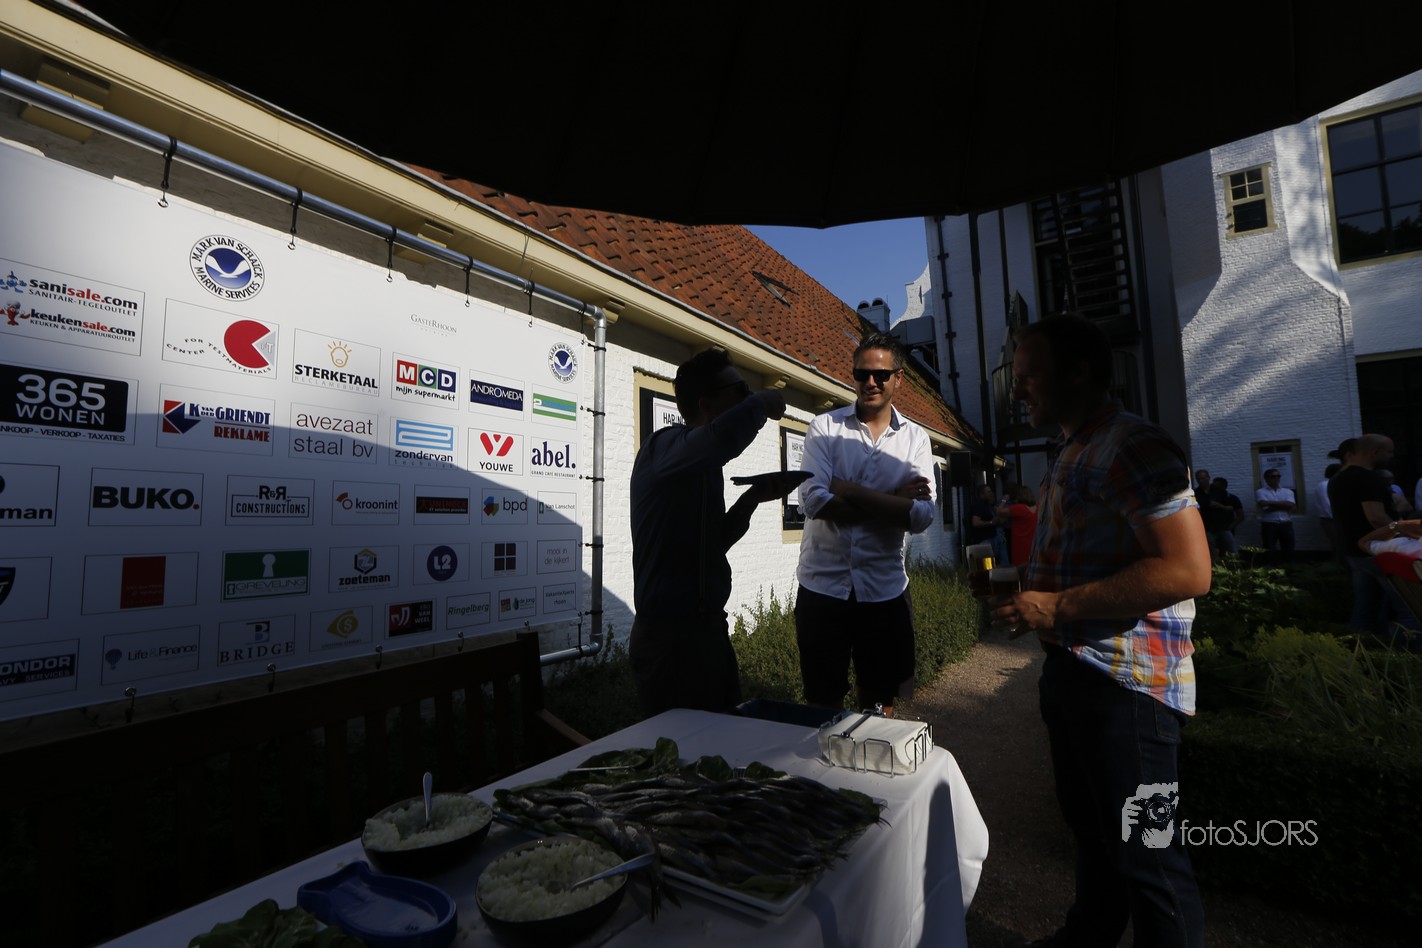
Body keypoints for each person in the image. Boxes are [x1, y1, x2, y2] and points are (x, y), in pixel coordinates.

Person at [991, 314, 1210, 948]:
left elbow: (1189, 569)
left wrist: (1057, 607)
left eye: (1029, 375)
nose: (1017, 390)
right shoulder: (1074, 447)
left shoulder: (1131, 444)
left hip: (1126, 689)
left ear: (1080, 372)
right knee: (1092, 833)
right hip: (1076, 673)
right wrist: (1026, 590)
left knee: (1150, 858)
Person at [629, 348, 798, 717]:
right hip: (668, 643)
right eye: (740, 392)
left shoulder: (704, 467)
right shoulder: (662, 447)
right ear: (706, 405)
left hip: (708, 633)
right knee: (675, 748)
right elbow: (724, 437)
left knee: (725, 739)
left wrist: (752, 498)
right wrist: (762, 402)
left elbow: (713, 543)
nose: (747, 397)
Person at [795, 332, 935, 715]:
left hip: (884, 591)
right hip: (823, 589)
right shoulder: (824, 428)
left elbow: (921, 516)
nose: (870, 382)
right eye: (862, 374)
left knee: (878, 704)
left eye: (881, 375)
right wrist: (894, 500)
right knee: (822, 702)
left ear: (899, 378)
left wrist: (849, 490)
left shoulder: (915, 439)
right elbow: (813, 501)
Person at [1329, 434, 1417, 636]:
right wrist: (1404, 533)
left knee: (1366, 607)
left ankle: (1362, 646)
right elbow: (1376, 517)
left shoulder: (1337, 479)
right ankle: (1410, 651)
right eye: (1389, 452)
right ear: (1374, 452)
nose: (1392, 456)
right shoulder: (1367, 478)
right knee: (1409, 608)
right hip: (1379, 550)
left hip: (1354, 551)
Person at [1254, 468, 1296, 563]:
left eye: (1278, 476)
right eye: (1273, 476)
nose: (1276, 478)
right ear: (1266, 478)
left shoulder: (1288, 491)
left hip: (1286, 523)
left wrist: (1269, 502)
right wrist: (1284, 505)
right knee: (1269, 549)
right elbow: (1264, 506)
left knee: (1289, 548)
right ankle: (1270, 568)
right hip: (1270, 524)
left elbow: (1291, 505)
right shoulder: (1260, 491)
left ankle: (1289, 567)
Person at [1202, 477, 1244, 560]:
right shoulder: (1208, 498)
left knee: (1230, 551)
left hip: (1225, 528)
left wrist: (1230, 526)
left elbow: (1240, 515)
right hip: (1210, 529)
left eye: (1217, 487)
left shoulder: (1231, 498)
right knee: (1213, 552)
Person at [997, 482, 1038, 566]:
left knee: (1019, 566)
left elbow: (999, 511)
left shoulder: (1019, 508)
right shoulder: (1037, 508)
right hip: (1033, 543)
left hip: (1020, 543)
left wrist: (1004, 500)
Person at [1316, 461, 1342, 561]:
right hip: (1331, 520)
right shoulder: (1324, 485)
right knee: (1337, 543)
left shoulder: (1332, 484)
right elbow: (1327, 504)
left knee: (1339, 543)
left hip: (1333, 519)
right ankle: (1336, 564)